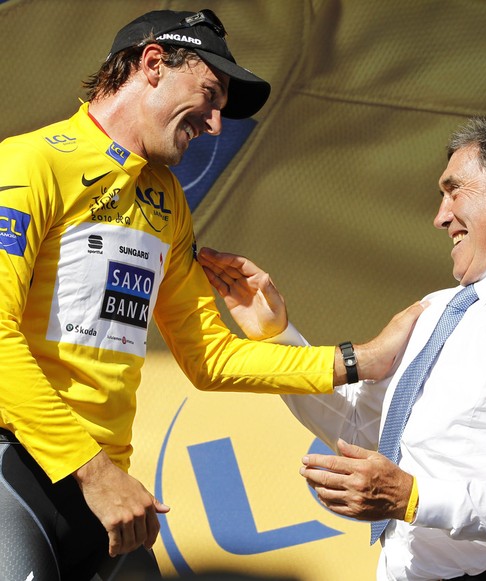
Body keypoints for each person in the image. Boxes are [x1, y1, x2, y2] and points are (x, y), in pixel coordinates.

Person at [0, 8, 424, 581]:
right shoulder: (31, 162)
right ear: (152, 64)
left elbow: (208, 357)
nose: (217, 124)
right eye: (210, 94)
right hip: (23, 470)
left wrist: (358, 361)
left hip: (108, 491)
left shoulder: (165, 198)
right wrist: (94, 473)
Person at [200, 116, 486, 580]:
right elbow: (360, 429)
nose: (440, 216)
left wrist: (414, 499)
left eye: (455, 190)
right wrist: (278, 336)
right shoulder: (438, 309)